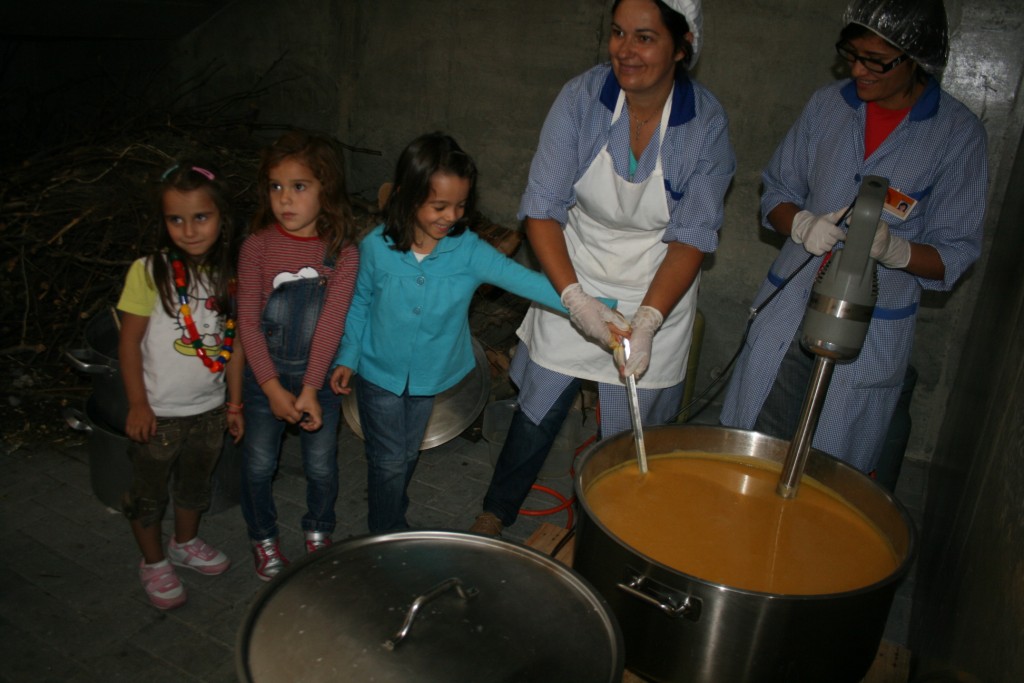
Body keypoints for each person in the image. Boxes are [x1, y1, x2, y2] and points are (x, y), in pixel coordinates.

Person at [470, 0, 735, 536]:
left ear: (682, 47)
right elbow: (542, 208)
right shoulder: (583, 99)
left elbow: (690, 238)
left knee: (628, 429)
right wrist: (574, 300)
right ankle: (495, 513)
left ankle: (610, 533)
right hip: (576, 264)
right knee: (537, 408)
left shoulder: (703, 122)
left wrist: (648, 320)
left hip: (658, 282)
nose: (625, 50)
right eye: (618, 33)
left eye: (644, 38)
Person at [720, 0, 988, 475]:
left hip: (869, 328)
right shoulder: (828, 107)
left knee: (828, 474)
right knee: (753, 451)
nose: (858, 70)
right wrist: (801, 224)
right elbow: (776, 192)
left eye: (876, 61)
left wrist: (896, 250)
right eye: (852, 54)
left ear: (915, 59)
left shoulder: (957, 135)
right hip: (792, 310)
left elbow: (954, 255)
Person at [330, 132, 610, 533]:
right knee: (388, 459)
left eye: (460, 205)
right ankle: (386, 530)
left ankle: (390, 502)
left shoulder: (468, 251)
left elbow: (526, 281)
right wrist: (347, 356)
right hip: (378, 374)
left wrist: (596, 307)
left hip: (430, 378)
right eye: (439, 205)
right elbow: (358, 304)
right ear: (409, 197)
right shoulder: (376, 247)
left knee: (406, 452)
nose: (451, 216)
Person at [117, 161, 244, 609]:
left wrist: (234, 404)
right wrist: (138, 404)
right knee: (148, 493)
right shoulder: (148, 272)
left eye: (201, 217)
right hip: (159, 413)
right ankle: (152, 562)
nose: (189, 230)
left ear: (222, 218)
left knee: (196, 485)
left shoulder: (229, 275)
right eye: (176, 219)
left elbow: (235, 343)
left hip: (208, 411)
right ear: (163, 221)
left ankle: (184, 543)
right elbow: (129, 343)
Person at [238, 131, 359, 580]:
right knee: (258, 464)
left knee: (322, 465)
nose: (284, 199)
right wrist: (270, 388)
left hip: (318, 380)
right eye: (275, 186)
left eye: (299, 186)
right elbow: (248, 323)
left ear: (325, 189)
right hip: (262, 377)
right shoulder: (257, 246)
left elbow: (331, 324)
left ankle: (318, 531)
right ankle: (263, 538)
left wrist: (309, 390)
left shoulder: (342, 251)